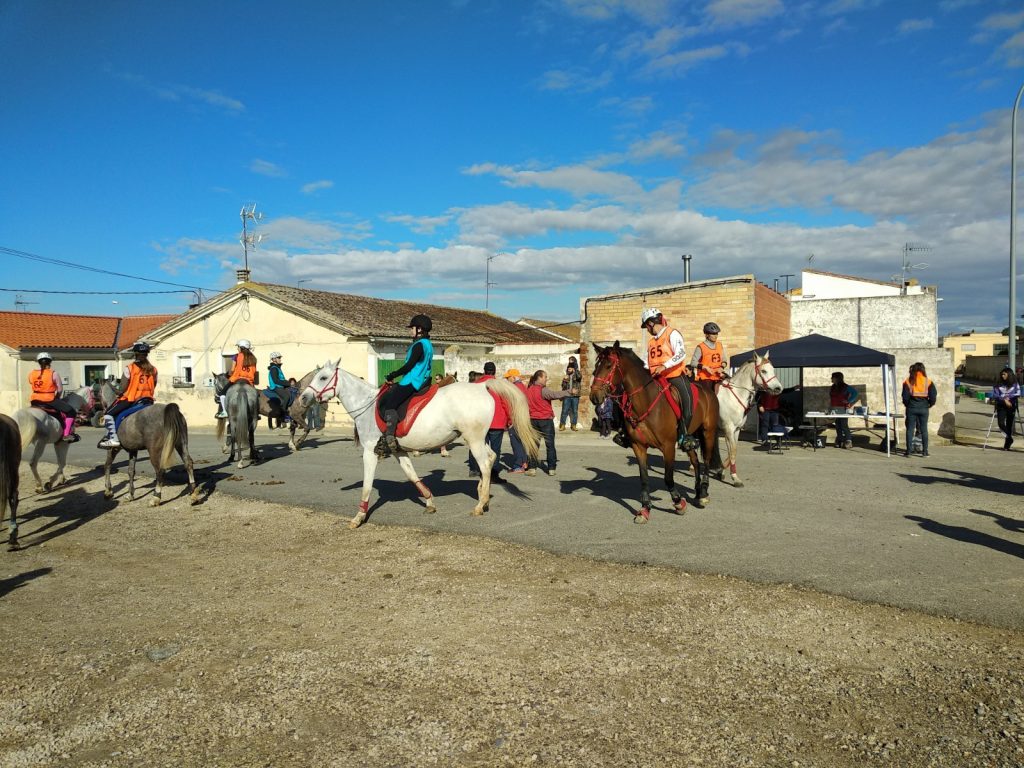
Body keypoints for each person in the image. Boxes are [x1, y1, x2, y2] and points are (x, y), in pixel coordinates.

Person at [375, 314, 434, 457]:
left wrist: (392, 375)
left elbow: (408, 367)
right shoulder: (428, 345)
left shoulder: (419, 345)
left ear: (419, 329)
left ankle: (389, 437)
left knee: (390, 403)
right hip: (424, 380)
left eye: (412, 328)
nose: (410, 331)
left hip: (412, 381)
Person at [641, 307, 695, 450]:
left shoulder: (672, 333)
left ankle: (684, 435)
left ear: (651, 323)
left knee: (687, 403)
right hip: (655, 379)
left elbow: (681, 354)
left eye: (646, 326)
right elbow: (646, 361)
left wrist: (664, 366)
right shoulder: (651, 342)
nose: (647, 329)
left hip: (674, 376)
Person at [98, 342, 157, 448]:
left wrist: (110, 386)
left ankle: (113, 439)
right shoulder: (153, 369)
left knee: (108, 414)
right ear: (146, 354)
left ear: (135, 354)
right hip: (148, 400)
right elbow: (154, 385)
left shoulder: (129, 368)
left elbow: (121, 390)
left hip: (131, 399)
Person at [525, 369, 573, 476]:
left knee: (533, 445)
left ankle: (532, 468)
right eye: (545, 377)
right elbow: (555, 394)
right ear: (540, 377)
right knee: (550, 445)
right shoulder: (543, 390)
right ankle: (551, 468)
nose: (546, 379)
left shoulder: (529, 390)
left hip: (533, 420)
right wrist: (569, 392)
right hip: (545, 420)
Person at [468, 362, 507, 483]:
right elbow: (506, 404)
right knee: (495, 449)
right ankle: (493, 474)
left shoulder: (476, 385)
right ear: (494, 371)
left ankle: (475, 469)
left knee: (477, 446)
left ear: (484, 371)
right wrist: (509, 420)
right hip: (497, 420)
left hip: (479, 421)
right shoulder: (500, 385)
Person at [28, 351, 79, 443]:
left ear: (39, 362)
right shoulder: (53, 373)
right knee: (71, 411)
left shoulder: (32, 373)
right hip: (49, 399)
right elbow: (59, 389)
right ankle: (66, 434)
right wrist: (57, 397)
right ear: (50, 362)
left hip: (34, 400)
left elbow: (32, 383)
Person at [216, 340, 258, 419]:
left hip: (237, 378)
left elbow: (234, 369)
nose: (237, 348)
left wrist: (231, 375)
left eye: (238, 347)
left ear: (241, 347)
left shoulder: (238, 356)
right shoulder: (253, 357)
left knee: (222, 394)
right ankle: (256, 413)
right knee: (256, 396)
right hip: (249, 381)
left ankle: (224, 412)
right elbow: (254, 371)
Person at [902, 362, 936, 457]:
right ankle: (925, 452)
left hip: (911, 408)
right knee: (924, 430)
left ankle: (908, 452)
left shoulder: (908, 381)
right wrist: (929, 404)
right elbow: (933, 396)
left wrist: (908, 405)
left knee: (910, 430)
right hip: (924, 408)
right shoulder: (928, 381)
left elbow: (905, 397)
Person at [504, 368, 530, 473]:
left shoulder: (514, 388)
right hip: (523, 418)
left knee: (516, 443)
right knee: (521, 441)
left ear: (513, 377)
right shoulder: (522, 386)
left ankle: (518, 465)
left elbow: (512, 406)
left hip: (516, 419)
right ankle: (524, 462)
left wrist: (509, 421)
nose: (507, 379)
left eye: (508, 377)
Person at [829, 372, 860, 449]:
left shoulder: (845, 387)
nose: (831, 379)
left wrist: (849, 401)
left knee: (844, 425)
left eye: (832, 377)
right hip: (834, 408)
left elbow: (855, 393)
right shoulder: (833, 387)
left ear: (837, 378)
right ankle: (840, 440)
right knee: (837, 425)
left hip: (843, 408)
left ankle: (848, 441)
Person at [690, 322, 728, 387]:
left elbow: (724, 360)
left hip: (718, 377)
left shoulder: (719, 345)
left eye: (716, 333)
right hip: (705, 379)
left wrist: (722, 367)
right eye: (713, 334)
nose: (715, 336)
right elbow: (693, 363)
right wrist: (705, 367)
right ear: (707, 335)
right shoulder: (700, 347)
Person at [992, 367, 1020, 451]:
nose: (1002, 375)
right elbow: (995, 395)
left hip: (1011, 405)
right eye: (1002, 374)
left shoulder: (1015, 384)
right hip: (1001, 405)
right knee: (1001, 423)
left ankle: (1007, 444)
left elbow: (1018, 393)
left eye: (1004, 374)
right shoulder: (998, 384)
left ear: (1009, 375)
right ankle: (1010, 438)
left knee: (1009, 424)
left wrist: (1009, 398)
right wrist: (1004, 400)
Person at [266, 352, 290, 429]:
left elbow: (281, 378)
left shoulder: (278, 368)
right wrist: (287, 383)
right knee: (286, 396)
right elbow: (276, 380)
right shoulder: (274, 369)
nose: (280, 359)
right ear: (274, 359)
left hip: (281, 386)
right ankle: (283, 416)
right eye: (279, 358)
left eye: (280, 358)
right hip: (276, 387)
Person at [558, 356, 583, 432]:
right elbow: (563, 386)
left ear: (573, 369)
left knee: (575, 411)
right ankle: (562, 425)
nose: (568, 370)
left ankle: (574, 425)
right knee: (564, 410)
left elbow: (579, 377)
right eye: (568, 369)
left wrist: (575, 368)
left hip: (575, 396)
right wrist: (565, 380)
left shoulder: (577, 374)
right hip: (567, 396)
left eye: (570, 369)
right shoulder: (566, 376)